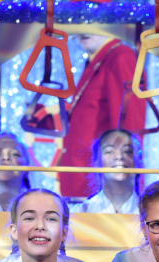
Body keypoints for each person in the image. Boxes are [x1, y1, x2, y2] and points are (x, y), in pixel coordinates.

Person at [56, 33, 147, 198]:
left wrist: (123, 180)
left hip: (98, 182)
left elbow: (130, 120)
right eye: (81, 23)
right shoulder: (100, 58)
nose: (85, 30)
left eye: (93, 22)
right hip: (84, 177)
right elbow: (87, 117)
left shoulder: (120, 56)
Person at [72, 128, 142, 214]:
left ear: (139, 161)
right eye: (109, 151)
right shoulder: (81, 212)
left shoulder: (149, 213)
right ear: (96, 162)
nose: (119, 156)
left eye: (127, 151)